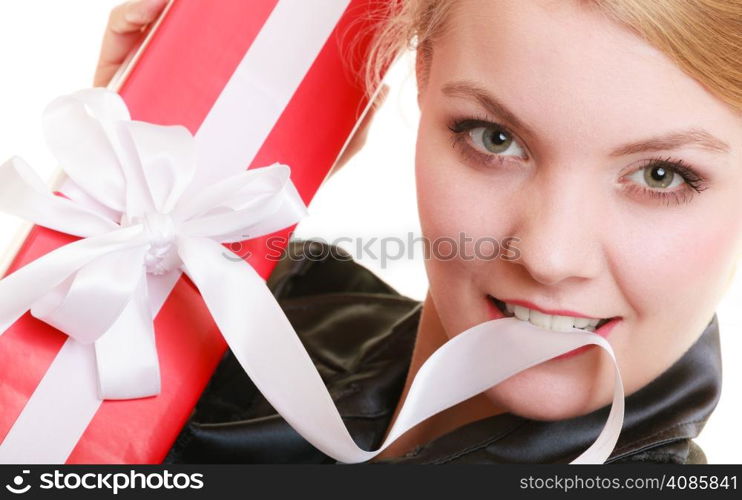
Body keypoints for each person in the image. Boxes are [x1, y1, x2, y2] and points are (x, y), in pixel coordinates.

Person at [94, 0, 741, 464]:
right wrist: (129, 201)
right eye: (497, 139)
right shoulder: (278, 308)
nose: (548, 256)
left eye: (661, 175)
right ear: (422, 76)